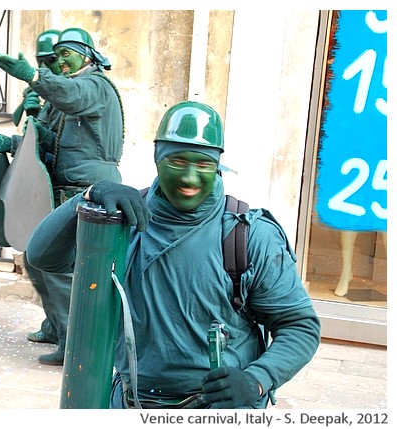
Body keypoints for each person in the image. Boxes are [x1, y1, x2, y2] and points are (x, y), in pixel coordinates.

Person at [25, 100, 321, 408]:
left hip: (217, 409)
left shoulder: (248, 234)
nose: (190, 178)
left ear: (218, 164)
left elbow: (299, 325)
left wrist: (258, 379)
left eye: (204, 165)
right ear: (157, 158)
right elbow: (43, 256)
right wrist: (85, 198)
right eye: (178, 162)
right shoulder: (123, 221)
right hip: (131, 402)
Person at [0, 27, 125, 366]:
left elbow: (72, 96)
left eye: (66, 54)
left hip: (87, 191)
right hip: (64, 190)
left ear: (87, 55)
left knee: (61, 268)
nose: (60, 62)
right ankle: (55, 326)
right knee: (38, 260)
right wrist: (17, 140)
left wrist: (34, 77)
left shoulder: (95, 87)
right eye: (55, 56)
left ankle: (73, 344)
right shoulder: (72, 89)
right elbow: (51, 141)